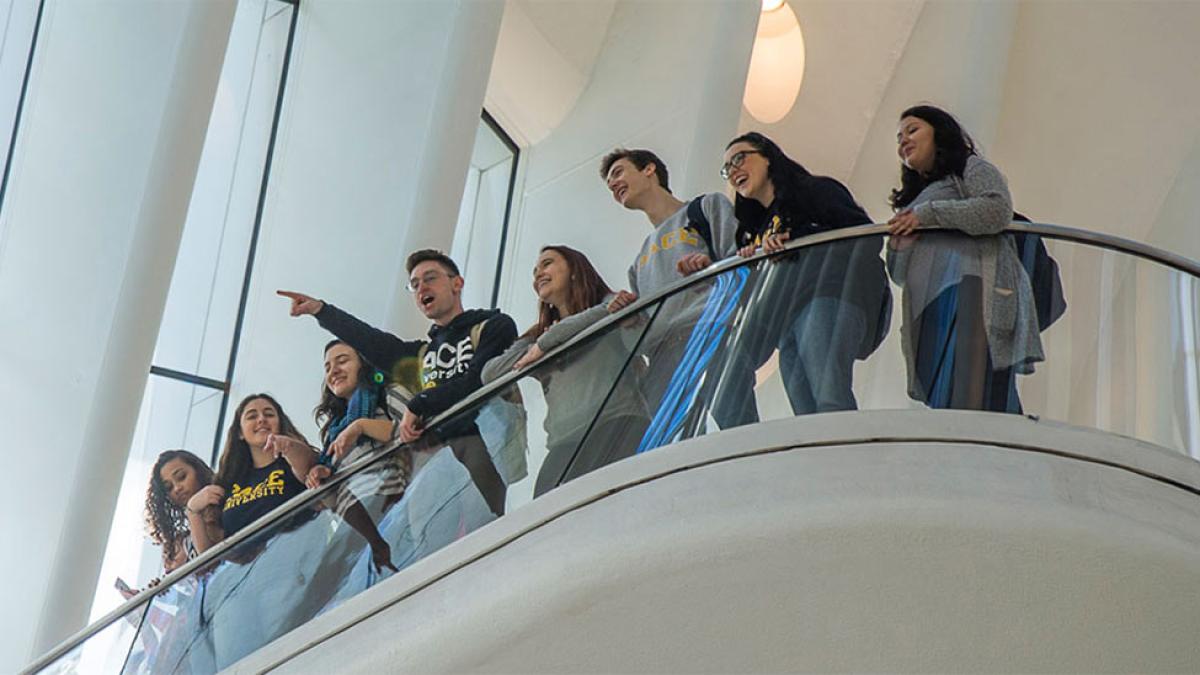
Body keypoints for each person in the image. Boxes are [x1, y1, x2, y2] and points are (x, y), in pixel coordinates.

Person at [278, 249, 517, 515]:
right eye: (414, 285)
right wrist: (321, 310)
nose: (421, 288)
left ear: (456, 283)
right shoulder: (421, 355)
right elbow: (371, 341)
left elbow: (477, 382)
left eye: (430, 278)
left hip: (493, 448)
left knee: (500, 523)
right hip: (447, 469)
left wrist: (419, 403)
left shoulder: (493, 326)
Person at [886, 104, 1043, 412]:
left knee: (979, 388)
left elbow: (996, 210)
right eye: (899, 136)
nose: (903, 139)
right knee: (947, 398)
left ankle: (1005, 454)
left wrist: (927, 215)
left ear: (939, 133)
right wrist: (899, 249)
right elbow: (899, 275)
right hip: (926, 303)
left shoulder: (969, 169)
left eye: (913, 129)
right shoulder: (917, 198)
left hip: (971, 289)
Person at [723, 132, 891, 414]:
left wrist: (798, 236)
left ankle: (852, 456)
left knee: (830, 396)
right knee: (805, 412)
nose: (733, 170)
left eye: (739, 158)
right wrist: (752, 263)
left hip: (829, 297)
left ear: (767, 156)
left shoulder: (814, 190)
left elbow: (864, 237)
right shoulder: (758, 228)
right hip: (787, 320)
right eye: (727, 168)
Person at [599, 148, 759, 441]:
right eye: (609, 184)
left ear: (649, 169)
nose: (613, 185)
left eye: (618, 172)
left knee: (738, 423)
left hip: (711, 332)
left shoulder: (705, 208)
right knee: (667, 444)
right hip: (663, 356)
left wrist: (710, 266)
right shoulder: (638, 263)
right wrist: (628, 318)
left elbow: (740, 261)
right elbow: (647, 327)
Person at [482, 245, 651, 496]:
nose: (538, 273)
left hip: (618, 424)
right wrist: (543, 344)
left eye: (547, 264)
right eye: (535, 270)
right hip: (564, 443)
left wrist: (548, 343)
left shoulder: (610, 304)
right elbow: (490, 374)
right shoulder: (536, 337)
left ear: (574, 270)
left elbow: (643, 340)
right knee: (547, 524)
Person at [186, 393, 318, 552]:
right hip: (247, 572)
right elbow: (208, 559)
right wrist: (192, 510)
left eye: (269, 414)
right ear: (240, 433)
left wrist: (288, 446)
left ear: (280, 424)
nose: (261, 419)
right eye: (251, 416)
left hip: (298, 555)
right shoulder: (229, 481)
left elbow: (307, 465)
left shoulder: (292, 461)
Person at [144, 450, 214, 574]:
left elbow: (209, 561)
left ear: (198, 471)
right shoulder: (184, 543)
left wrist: (192, 510)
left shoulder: (230, 500)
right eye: (169, 488)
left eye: (181, 477)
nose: (177, 488)